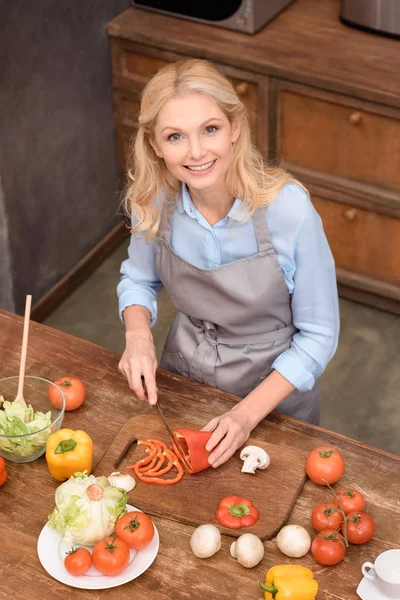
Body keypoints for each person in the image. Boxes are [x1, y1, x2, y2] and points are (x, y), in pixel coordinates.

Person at [117, 59, 339, 468]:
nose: (197, 152)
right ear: (154, 145)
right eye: (175, 136)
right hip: (180, 381)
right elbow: (138, 279)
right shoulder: (153, 201)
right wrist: (137, 336)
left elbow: (319, 335)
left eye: (211, 129)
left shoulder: (289, 210)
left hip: (273, 398)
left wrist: (244, 415)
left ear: (235, 128)